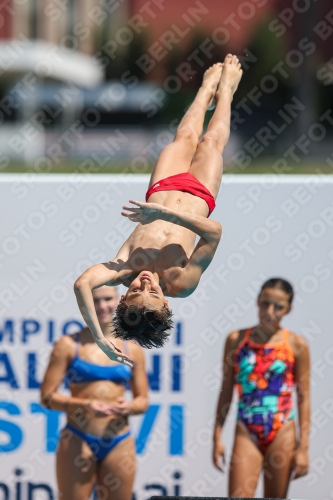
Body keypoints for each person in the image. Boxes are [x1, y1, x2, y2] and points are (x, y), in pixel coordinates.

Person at [74, 55, 243, 364]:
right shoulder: (181, 282)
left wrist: (99, 337)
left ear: (123, 296)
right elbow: (214, 233)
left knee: (185, 136)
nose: (147, 283)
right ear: (167, 304)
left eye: (138, 290)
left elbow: (82, 283)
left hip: (162, 188)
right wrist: (165, 215)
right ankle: (228, 91)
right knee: (211, 142)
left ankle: (205, 89)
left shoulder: (123, 268)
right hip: (199, 195)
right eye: (153, 293)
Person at [40, 286, 148, 500]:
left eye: (107, 299)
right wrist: (83, 405)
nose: (101, 306)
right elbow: (47, 397)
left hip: (119, 440)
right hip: (77, 439)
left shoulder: (132, 348)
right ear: (84, 304)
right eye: (94, 300)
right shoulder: (68, 345)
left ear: (119, 300)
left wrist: (127, 407)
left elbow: (142, 401)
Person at [212, 278, 310, 498]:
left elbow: (303, 398)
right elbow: (226, 390)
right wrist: (216, 437)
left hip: (282, 428)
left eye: (279, 307)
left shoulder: (296, 345)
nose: (270, 311)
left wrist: (303, 448)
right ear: (257, 300)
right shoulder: (236, 340)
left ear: (288, 310)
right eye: (265, 303)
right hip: (247, 427)